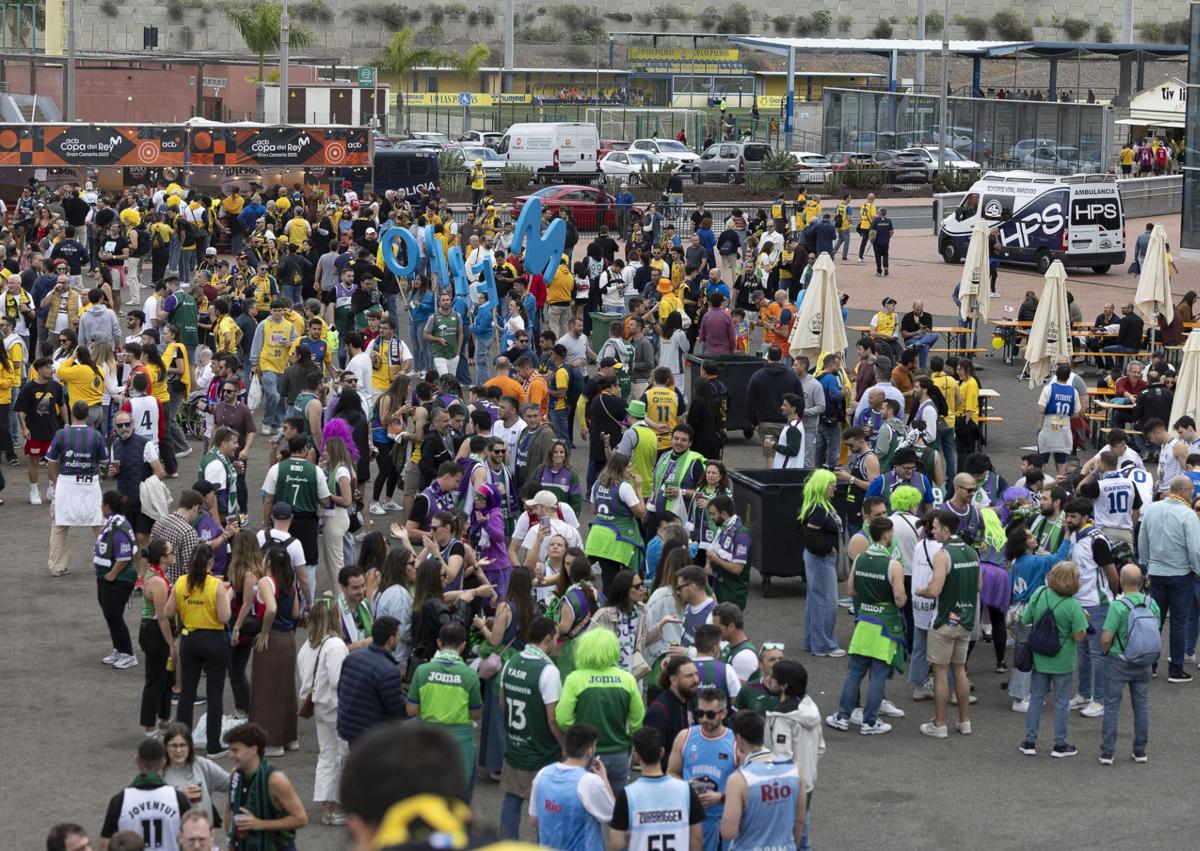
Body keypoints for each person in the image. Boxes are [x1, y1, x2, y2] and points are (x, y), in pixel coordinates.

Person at [826, 517, 907, 736]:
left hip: (864, 622)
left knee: (855, 672)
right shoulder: (893, 564)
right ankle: (870, 722)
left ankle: (842, 716)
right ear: (888, 534)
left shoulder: (860, 558)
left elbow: (851, 591)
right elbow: (900, 599)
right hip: (886, 625)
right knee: (879, 673)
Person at [556, 627, 645, 802]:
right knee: (617, 809)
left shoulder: (575, 679)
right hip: (619, 752)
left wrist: (578, 733)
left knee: (583, 805)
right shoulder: (627, 679)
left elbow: (563, 719)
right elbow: (638, 721)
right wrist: (629, 740)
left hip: (584, 753)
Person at [497, 616, 565, 839]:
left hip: (515, 745)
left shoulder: (510, 662)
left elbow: (501, 703)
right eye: (556, 638)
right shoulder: (548, 670)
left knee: (512, 800)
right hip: (542, 751)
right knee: (545, 809)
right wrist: (564, 746)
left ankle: (506, 844)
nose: (558, 643)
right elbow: (552, 718)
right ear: (547, 639)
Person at [915, 511, 979, 739]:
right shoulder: (972, 552)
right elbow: (979, 586)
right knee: (959, 669)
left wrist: (920, 590)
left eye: (934, 527)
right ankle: (965, 721)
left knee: (940, 672)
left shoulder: (943, 555)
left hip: (944, 621)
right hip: (966, 619)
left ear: (945, 529)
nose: (932, 531)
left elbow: (934, 590)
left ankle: (939, 724)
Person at [1018, 561, 1089, 759]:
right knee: (1061, 703)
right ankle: (1060, 744)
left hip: (1040, 657)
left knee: (1036, 700)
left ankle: (1029, 741)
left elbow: (1025, 619)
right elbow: (1079, 637)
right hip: (1063, 660)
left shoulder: (1040, 593)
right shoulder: (1073, 605)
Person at [407, 621, 484, 802]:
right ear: (463, 645)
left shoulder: (422, 671)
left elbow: (411, 710)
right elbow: (476, 713)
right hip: (461, 744)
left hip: (428, 740)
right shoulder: (469, 675)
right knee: (461, 798)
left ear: (439, 643)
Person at [167, 543, 232, 757]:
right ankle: (214, 744)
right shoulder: (216, 585)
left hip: (190, 638)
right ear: (210, 563)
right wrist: (229, 598)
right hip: (214, 639)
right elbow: (224, 617)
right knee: (214, 694)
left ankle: (181, 742)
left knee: (187, 693)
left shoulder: (181, 582)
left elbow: (168, 611)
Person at [1138, 475, 1200, 683]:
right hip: (1181, 574)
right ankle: (1175, 669)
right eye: (1190, 490)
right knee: (1178, 622)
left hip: (1156, 572)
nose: (1191, 493)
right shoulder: (1188, 514)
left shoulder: (1153, 509)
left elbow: (1142, 540)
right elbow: (1194, 550)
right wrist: (1197, 570)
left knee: (1155, 620)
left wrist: (1147, 564)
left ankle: (1151, 665)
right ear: (1183, 491)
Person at [1097, 562, 1161, 764]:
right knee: (1141, 706)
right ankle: (1140, 750)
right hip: (1143, 661)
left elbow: (1106, 637)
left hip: (1119, 660)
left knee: (1112, 706)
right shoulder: (1152, 604)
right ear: (1141, 582)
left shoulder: (1118, 606)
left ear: (1121, 582)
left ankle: (1108, 752)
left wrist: (1105, 652)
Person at [720, 710, 805, 851]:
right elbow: (800, 822)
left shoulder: (738, 780)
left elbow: (728, 832)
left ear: (739, 739)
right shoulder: (794, 770)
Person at [612, 726, 705, 851]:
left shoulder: (628, 795)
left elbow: (616, 843)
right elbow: (697, 837)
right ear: (661, 752)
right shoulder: (685, 790)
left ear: (637, 757)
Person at [667, 687, 736, 851]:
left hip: (720, 824)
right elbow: (671, 772)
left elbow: (748, 786)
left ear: (723, 714)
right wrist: (687, 790)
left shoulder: (735, 742)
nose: (704, 719)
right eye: (700, 713)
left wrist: (720, 797)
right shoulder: (685, 736)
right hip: (689, 821)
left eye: (710, 714)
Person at [46, 399, 109, 576]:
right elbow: (104, 461)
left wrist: (56, 482)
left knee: (59, 524)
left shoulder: (61, 434)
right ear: (87, 415)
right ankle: (108, 563)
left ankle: (57, 566)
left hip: (66, 483)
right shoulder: (96, 435)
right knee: (98, 523)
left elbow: (51, 462)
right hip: (89, 483)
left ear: (72, 414)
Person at [529, 723, 615, 851]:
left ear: (566, 748)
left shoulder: (543, 774)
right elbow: (615, 818)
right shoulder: (590, 782)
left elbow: (533, 820)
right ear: (590, 750)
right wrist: (605, 781)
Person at [224, 722, 308, 849]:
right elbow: (229, 809)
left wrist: (260, 824)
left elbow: (300, 819)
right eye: (229, 750)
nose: (230, 755)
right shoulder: (235, 775)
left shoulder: (275, 780)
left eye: (235, 750)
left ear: (253, 749)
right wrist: (230, 840)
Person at [99, 738, 191, 851]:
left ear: (136, 760)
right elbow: (193, 839)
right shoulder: (178, 799)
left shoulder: (120, 801)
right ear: (164, 762)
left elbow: (105, 844)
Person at [799, 470, 843, 657]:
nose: (834, 487)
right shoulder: (819, 509)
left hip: (817, 558)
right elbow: (810, 533)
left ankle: (813, 642)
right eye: (831, 484)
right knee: (827, 602)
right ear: (822, 486)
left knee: (816, 601)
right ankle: (824, 645)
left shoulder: (817, 505)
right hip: (821, 559)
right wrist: (827, 549)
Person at [95, 490, 139, 669]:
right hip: (107, 577)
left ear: (107, 506)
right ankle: (118, 649)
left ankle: (128, 653)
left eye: (102, 504)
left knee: (114, 615)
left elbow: (124, 555)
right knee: (111, 615)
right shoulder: (113, 523)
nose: (100, 507)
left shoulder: (118, 527)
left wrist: (112, 574)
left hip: (118, 579)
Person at [161, 723, 231, 830]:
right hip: (175, 836)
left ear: (190, 746)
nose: (178, 750)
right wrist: (180, 797)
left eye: (183, 745)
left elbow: (231, 783)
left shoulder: (201, 765)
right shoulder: (160, 772)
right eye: (174, 746)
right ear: (166, 747)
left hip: (203, 836)